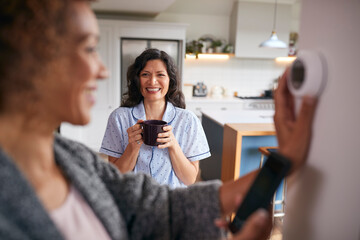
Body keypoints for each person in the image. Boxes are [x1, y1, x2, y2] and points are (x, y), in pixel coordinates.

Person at [0, 0, 317, 239]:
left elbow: (163, 206)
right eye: (89, 48)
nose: (102, 69)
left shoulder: (74, 159)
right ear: (31, 58)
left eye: (160, 75)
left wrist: (283, 161)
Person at [99, 48, 211, 188]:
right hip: (132, 201)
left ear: (170, 80)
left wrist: (173, 145)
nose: (152, 81)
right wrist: (132, 147)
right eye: (145, 74)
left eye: (160, 75)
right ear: (137, 79)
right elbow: (115, 176)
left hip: (171, 201)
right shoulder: (119, 118)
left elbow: (190, 179)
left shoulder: (188, 120)